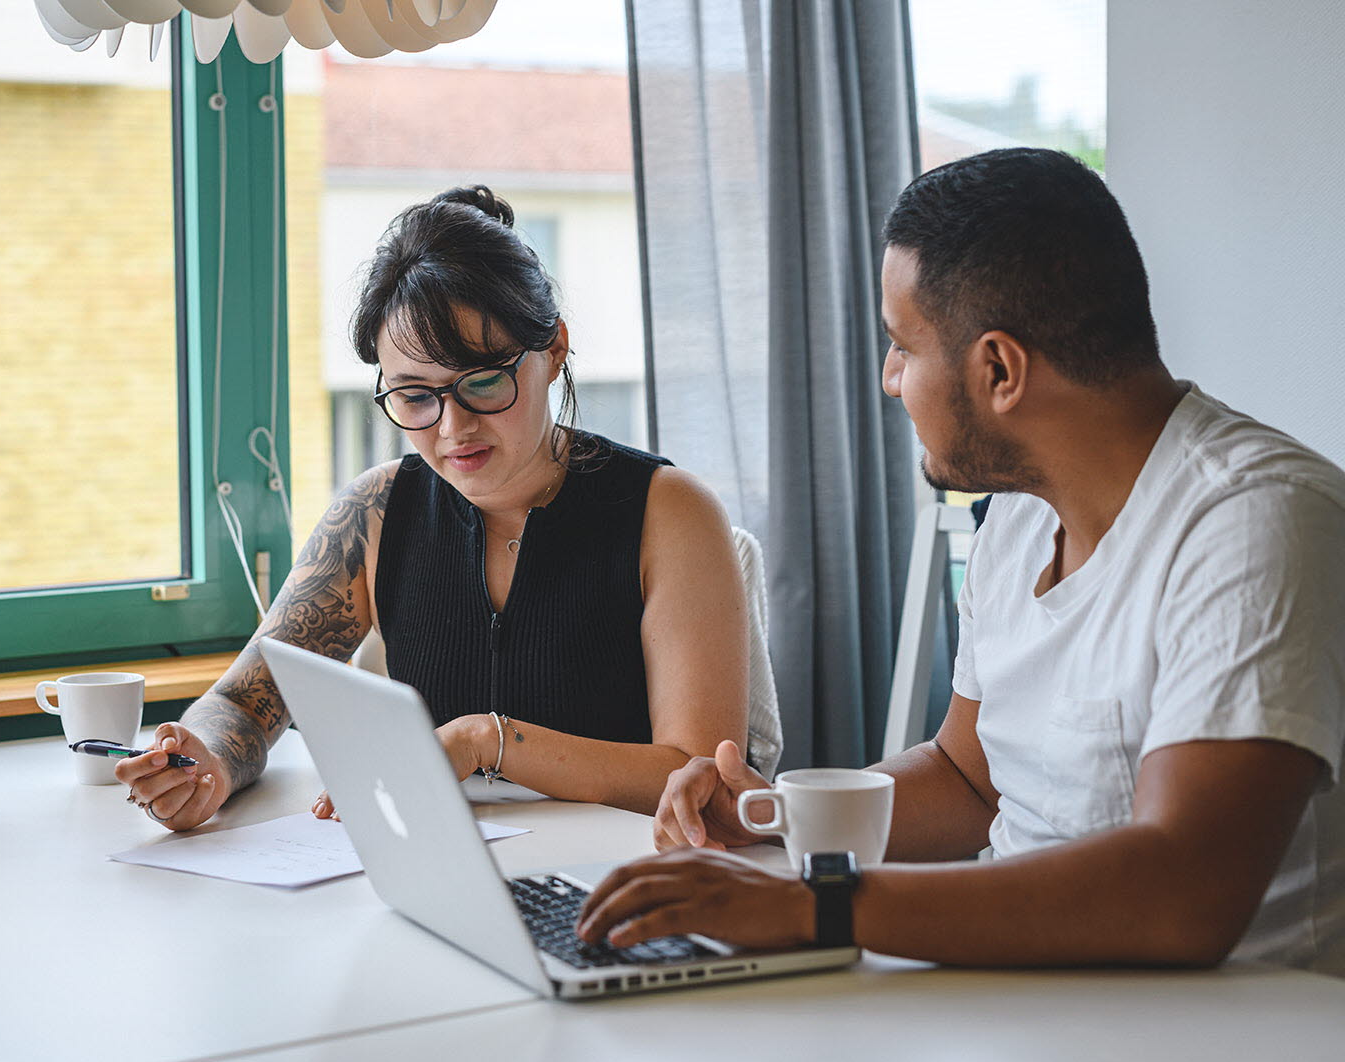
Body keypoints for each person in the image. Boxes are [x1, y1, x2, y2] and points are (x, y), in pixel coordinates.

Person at [575, 148, 1345, 974]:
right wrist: (775, 817)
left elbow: (1181, 895)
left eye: (904, 345)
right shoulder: (1018, 514)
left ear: (999, 370)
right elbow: (967, 779)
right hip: (1023, 1002)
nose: (888, 378)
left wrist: (818, 906)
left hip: (1223, 1037)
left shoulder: (1258, 523)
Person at [119, 185, 759, 830]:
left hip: (621, 877)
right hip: (440, 868)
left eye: (483, 382)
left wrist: (488, 740)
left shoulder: (667, 512)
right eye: (415, 396)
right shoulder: (374, 511)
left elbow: (699, 774)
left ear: (554, 350)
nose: (453, 427)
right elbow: (247, 701)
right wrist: (200, 763)